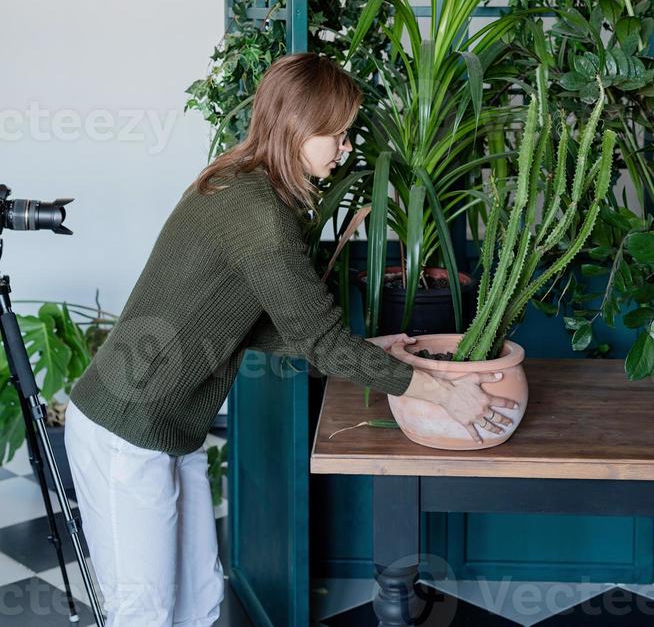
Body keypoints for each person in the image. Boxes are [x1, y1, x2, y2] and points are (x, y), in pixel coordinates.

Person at [64, 51, 517, 626]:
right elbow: (321, 341)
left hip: (166, 426)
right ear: (301, 129)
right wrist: (439, 391)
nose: (347, 147)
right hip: (124, 430)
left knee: (200, 602)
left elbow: (243, 319)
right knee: (144, 613)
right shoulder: (256, 213)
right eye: (339, 134)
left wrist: (371, 352)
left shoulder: (239, 182)